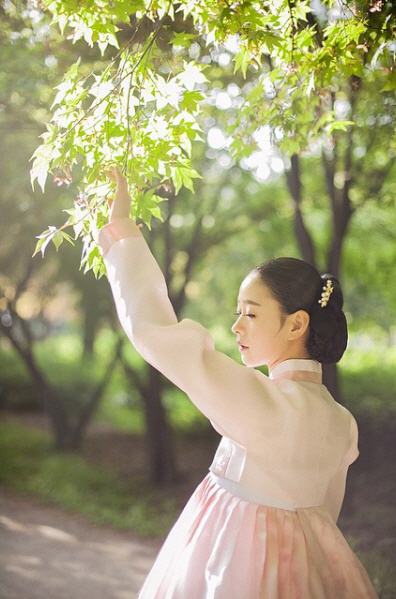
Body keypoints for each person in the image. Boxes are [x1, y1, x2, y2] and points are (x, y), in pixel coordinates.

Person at [98, 167, 379, 599]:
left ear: (296, 324)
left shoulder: (262, 403)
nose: (236, 327)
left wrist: (122, 234)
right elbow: (325, 515)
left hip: (232, 566)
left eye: (249, 312)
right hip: (314, 572)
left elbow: (155, 334)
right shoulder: (343, 423)